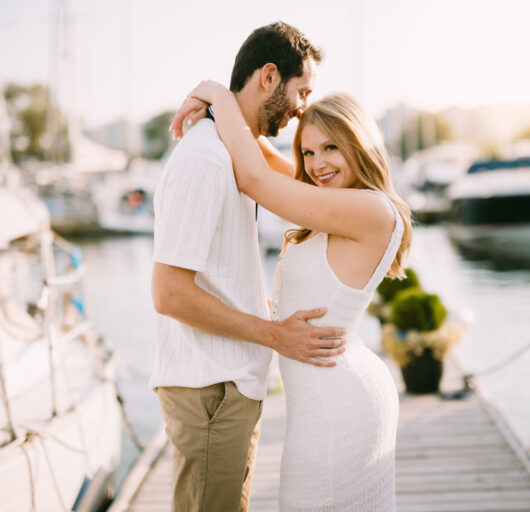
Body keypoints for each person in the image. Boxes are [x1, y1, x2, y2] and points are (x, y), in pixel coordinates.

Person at [171, 83, 412, 511]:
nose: (317, 164)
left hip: (339, 402)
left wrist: (213, 92)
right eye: (308, 152)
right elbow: (261, 156)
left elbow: (253, 177)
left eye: (332, 148)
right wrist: (230, 105)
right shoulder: (332, 200)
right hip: (317, 401)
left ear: (361, 144)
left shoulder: (371, 210)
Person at [150, 22, 346, 512]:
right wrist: (275, 334)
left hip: (225, 388)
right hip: (209, 391)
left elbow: (280, 172)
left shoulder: (229, 149)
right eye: (302, 91)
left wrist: (217, 94)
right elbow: (169, 293)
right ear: (269, 76)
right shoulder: (207, 160)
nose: (304, 107)